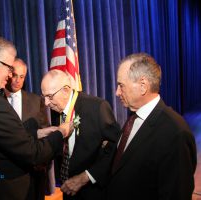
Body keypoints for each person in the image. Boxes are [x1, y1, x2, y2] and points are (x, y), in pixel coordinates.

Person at [0, 36, 73, 200]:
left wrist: (37, 133)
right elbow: (33, 154)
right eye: (9, 67)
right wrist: (61, 132)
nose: (10, 74)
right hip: (5, 190)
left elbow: (2, 137)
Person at [107, 53, 197, 200]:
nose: (117, 92)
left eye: (121, 85)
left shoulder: (175, 133)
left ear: (143, 86)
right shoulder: (133, 118)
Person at [41, 70, 120, 200]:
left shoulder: (97, 107)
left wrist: (86, 177)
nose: (46, 103)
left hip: (93, 191)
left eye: (49, 96)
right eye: (44, 96)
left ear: (66, 90)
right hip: (67, 188)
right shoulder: (56, 109)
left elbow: (116, 147)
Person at [5, 58, 54, 200]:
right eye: (14, 75)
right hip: (7, 175)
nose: (17, 80)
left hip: (33, 173)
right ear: (8, 74)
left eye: (22, 76)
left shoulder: (36, 100)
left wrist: (42, 162)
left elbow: (46, 132)